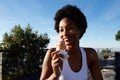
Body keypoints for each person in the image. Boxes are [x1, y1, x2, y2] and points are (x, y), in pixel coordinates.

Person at [40, 4, 103, 80]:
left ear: (80, 29)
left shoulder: (90, 54)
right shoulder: (52, 54)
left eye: (70, 28)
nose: (65, 34)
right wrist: (55, 74)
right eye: (61, 30)